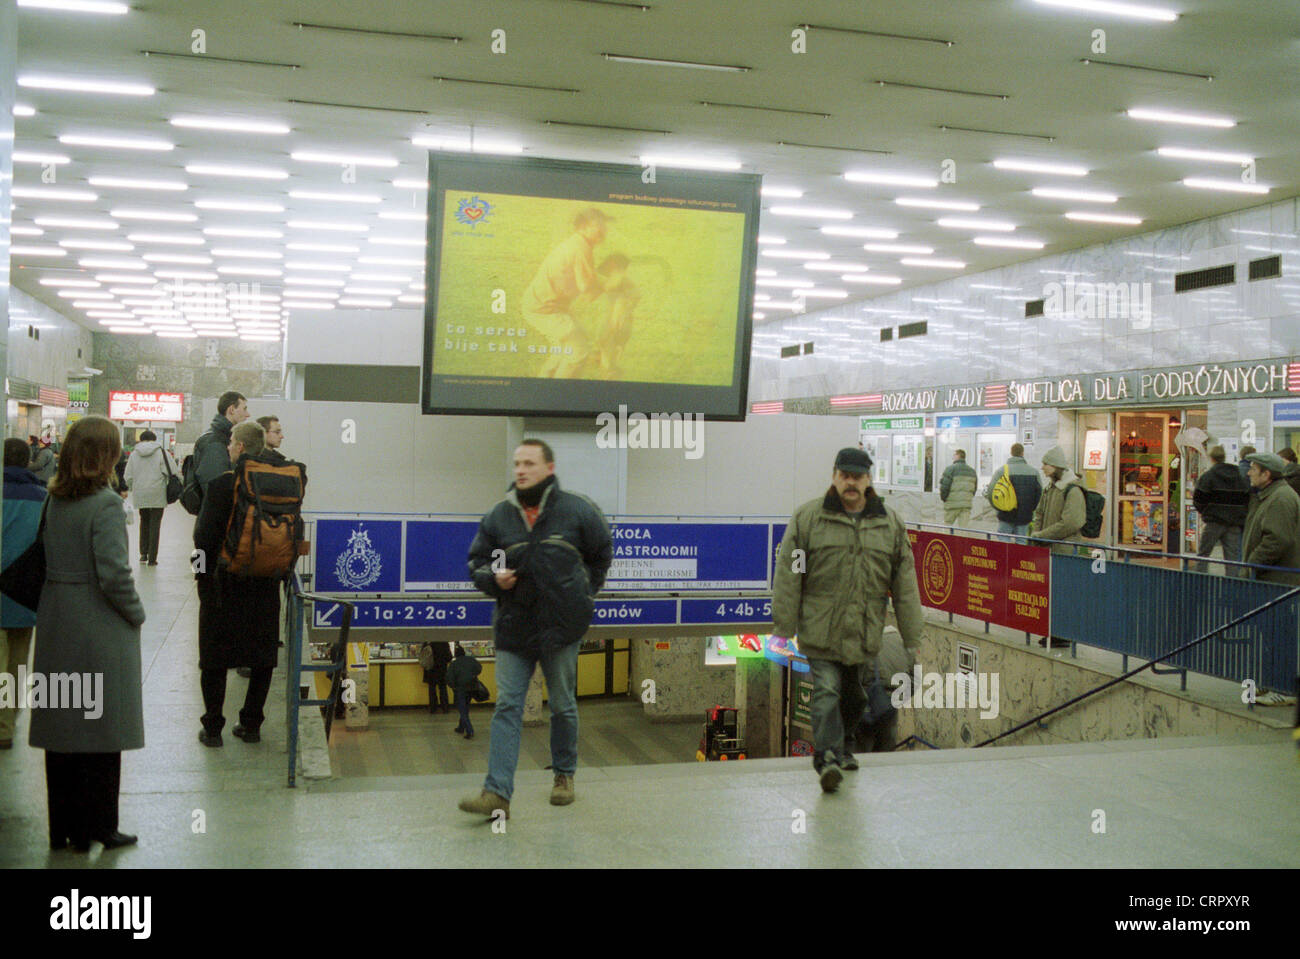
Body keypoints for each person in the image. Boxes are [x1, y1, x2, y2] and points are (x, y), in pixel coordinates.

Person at [458, 439, 613, 819]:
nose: (521, 470)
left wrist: (582, 595)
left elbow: (600, 555)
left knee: (562, 705)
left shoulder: (577, 511)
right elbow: (483, 559)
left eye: (529, 463)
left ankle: (563, 776)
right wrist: (496, 577)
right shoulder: (500, 517)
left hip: (561, 628)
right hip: (515, 626)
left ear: (549, 469)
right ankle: (497, 794)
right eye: (517, 464)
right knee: (508, 706)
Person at [772, 447, 925, 792]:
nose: (851, 482)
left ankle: (842, 748)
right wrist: (783, 626)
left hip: (864, 632)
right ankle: (826, 757)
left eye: (857, 476)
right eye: (845, 475)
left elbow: (904, 585)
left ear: (869, 479)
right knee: (826, 689)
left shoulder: (890, 524)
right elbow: (789, 573)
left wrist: (911, 635)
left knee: (855, 698)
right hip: (819, 628)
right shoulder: (807, 519)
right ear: (834, 476)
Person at [29, 416, 145, 852]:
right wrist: (136, 613)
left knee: (62, 730)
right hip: (97, 624)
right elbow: (114, 576)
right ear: (106, 455)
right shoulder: (106, 504)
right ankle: (99, 826)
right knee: (100, 733)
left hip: (57, 616)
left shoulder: (53, 500)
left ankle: (62, 828)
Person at [192, 421, 281, 747]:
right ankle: (251, 724)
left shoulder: (220, 486)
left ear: (240, 447)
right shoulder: (277, 484)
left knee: (214, 658)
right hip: (265, 584)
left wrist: (200, 578)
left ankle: (213, 728)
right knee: (261, 656)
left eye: (231, 442)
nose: (228, 446)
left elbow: (201, 539)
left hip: (222, 584)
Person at [521, 208, 617, 379]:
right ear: (584, 227)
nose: (603, 230)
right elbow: (586, 289)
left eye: (604, 225)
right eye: (598, 225)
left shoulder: (577, 244)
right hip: (545, 310)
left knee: (564, 349)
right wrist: (610, 285)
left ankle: (544, 387)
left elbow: (585, 282)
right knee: (579, 350)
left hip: (544, 305)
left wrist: (603, 283)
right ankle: (559, 394)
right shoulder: (581, 248)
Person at [1241, 451, 1300, 707]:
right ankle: (1273, 681)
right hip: (1272, 580)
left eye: (1253, 468)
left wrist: (1252, 564)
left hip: (1279, 580)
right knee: (1272, 635)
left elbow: (1278, 539)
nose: (1249, 472)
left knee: (1281, 636)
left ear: (1267, 474)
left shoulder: (1280, 498)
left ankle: (1284, 687)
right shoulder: (1269, 496)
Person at [0, 439, 45, 748]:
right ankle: (7, 725)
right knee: (18, 660)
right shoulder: (43, 498)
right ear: (29, 461)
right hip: (23, 589)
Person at [1031, 446, 1087, 649]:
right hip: (1050, 549)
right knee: (1052, 593)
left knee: (1064, 593)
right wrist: (1037, 534)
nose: (1043, 467)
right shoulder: (1050, 488)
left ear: (1056, 466)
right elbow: (1039, 513)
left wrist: (1042, 536)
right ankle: (1054, 632)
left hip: (1065, 551)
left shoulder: (1072, 490)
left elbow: (1072, 522)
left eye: (1046, 464)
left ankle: (1064, 633)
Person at [1191, 445, 1250, 576]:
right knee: (1232, 560)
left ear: (1211, 458)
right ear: (1224, 457)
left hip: (1214, 522)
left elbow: (1198, 499)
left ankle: (1200, 584)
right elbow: (1246, 498)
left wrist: (1205, 512)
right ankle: (1233, 588)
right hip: (1234, 522)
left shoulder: (1208, 476)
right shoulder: (1238, 475)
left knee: (1203, 555)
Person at [123, 429, 179, 567]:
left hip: (141, 492)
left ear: (140, 440)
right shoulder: (161, 452)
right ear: (154, 439)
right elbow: (172, 472)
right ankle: (152, 558)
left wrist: (131, 487)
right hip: (157, 492)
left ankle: (143, 554)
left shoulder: (134, 454)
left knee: (144, 521)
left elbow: (127, 476)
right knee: (155, 524)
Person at [192, 390, 249, 501]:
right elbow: (214, 490)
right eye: (244, 409)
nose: (248, 414)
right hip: (217, 515)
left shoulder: (224, 438)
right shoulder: (214, 442)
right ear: (231, 410)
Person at [988, 442, 1042, 539]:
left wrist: (999, 508)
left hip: (1006, 514)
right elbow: (1039, 494)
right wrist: (1031, 509)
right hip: (1025, 515)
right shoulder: (1034, 472)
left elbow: (991, 492)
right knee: (1021, 542)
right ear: (1022, 453)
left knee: (1003, 539)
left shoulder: (1001, 471)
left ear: (1011, 453)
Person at [446, 646, 482, 738]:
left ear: (456, 654)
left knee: (462, 710)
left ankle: (469, 730)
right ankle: (461, 727)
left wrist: (453, 687)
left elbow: (450, 678)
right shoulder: (471, 660)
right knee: (465, 707)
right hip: (471, 687)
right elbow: (479, 668)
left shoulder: (454, 664)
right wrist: (472, 675)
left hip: (461, 689)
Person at [938, 449, 978, 528]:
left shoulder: (950, 469)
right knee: (964, 529)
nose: (953, 457)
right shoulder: (972, 471)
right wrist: (967, 498)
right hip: (966, 505)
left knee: (947, 526)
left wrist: (944, 499)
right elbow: (974, 488)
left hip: (952, 504)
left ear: (957, 456)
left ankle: (947, 540)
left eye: (954, 455)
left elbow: (944, 487)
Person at [421, 641, 453, 715]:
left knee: (432, 689)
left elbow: (422, 656)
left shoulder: (427, 642)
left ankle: (433, 708)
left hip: (430, 670)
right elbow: (449, 657)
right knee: (443, 689)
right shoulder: (444, 643)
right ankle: (445, 708)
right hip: (441, 670)